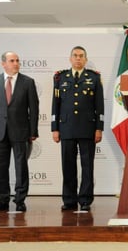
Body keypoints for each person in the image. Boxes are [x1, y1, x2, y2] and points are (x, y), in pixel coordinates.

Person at [0, 51, 39, 212]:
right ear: (3, 64)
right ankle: (2, 200)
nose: (16, 63)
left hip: (21, 131)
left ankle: (20, 200)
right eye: (12, 60)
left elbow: (34, 109)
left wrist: (33, 131)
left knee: (21, 166)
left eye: (17, 60)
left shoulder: (28, 82)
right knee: (0, 167)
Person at [51, 46, 104, 212]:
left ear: (85, 59)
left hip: (88, 128)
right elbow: (55, 104)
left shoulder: (94, 78)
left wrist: (99, 128)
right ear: (70, 58)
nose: (78, 58)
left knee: (87, 167)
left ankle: (86, 200)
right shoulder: (61, 77)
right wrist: (55, 128)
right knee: (68, 166)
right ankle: (69, 200)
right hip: (66, 128)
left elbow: (99, 106)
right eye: (75, 56)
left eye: (81, 56)